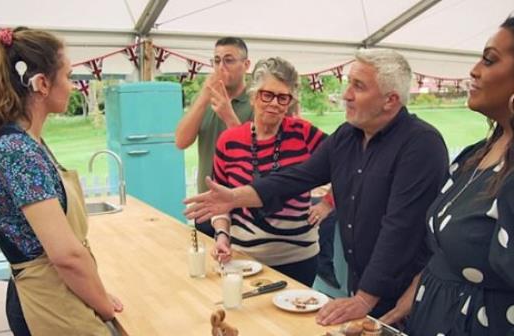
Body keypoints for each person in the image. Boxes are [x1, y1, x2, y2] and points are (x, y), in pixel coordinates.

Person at [184, 48, 449, 324]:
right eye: (349, 83)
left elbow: (401, 228)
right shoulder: (348, 136)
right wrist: (233, 197)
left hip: (406, 299)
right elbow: (296, 177)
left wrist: (365, 298)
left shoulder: (421, 145)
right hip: (364, 288)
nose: (346, 94)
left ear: (390, 100)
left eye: (358, 86)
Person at [0, 27, 122, 335]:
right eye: (67, 76)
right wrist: (104, 306)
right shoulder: (17, 152)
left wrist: (98, 293)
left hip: (55, 292)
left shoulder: (26, 142)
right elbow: (66, 256)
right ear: (41, 84)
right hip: (47, 304)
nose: (73, 86)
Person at [381, 17, 514, 336]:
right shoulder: (473, 155)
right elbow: (445, 249)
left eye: (489, 59)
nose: (474, 71)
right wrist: (416, 294)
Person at [210, 57, 327, 286]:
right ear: (254, 96)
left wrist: (329, 203)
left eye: (283, 97)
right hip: (245, 259)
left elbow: (348, 163)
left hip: (299, 258)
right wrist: (222, 235)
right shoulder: (229, 141)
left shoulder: (304, 133)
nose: (275, 103)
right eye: (267, 95)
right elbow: (219, 203)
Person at [175, 37, 253, 237]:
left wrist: (229, 115)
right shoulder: (204, 100)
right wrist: (204, 96)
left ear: (246, 65)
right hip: (208, 205)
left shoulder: (256, 101)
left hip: (244, 206)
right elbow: (181, 141)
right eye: (216, 61)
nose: (221, 67)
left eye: (228, 60)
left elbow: (256, 152)